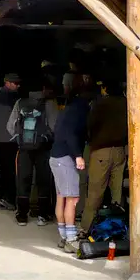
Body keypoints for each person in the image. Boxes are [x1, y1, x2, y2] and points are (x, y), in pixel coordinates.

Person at [79, 77, 129, 236]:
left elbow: (90, 125)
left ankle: (86, 228)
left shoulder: (100, 104)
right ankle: (119, 228)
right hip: (120, 150)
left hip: (101, 150)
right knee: (117, 193)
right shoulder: (126, 103)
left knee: (95, 192)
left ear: (105, 88)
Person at [7, 75, 58, 227]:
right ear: (43, 88)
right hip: (43, 148)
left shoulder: (20, 102)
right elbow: (55, 126)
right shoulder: (49, 103)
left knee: (23, 179)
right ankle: (42, 214)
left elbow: (10, 127)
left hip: (24, 148)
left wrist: (22, 138)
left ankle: (22, 215)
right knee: (43, 180)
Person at [50, 87, 89, 251]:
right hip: (65, 159)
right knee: (72, 199)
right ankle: (71, 240)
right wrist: (78, 156)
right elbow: (71, 136)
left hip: (55, 158)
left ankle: (63, 237)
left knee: (61, 197)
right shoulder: (77, 113)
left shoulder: (64, 113)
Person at [0, 73, 22, 210]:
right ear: (7, 83)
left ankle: (3, 197)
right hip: (9, 139)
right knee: (11, 171)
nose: (18, 86)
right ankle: (9, 199)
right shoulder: (14, 100)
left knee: (3, 171)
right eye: (15, 83)